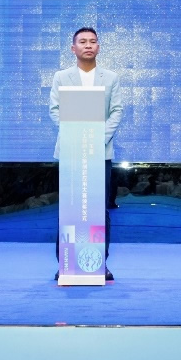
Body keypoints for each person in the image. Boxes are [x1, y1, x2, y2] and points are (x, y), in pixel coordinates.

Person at [50, 27, 124, 280]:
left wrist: (97, 138)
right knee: (69, 209)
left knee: (99, 209)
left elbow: (116, 111)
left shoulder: (110, 78)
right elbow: (55, 110)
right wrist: (75, 135)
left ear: (98, 47)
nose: (88, 45)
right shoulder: (61, 77)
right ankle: (66, 264)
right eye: (82, 41)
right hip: (71, 151)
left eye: (93, 41)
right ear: (73, 48)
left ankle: (100, 263)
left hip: (99, 153)